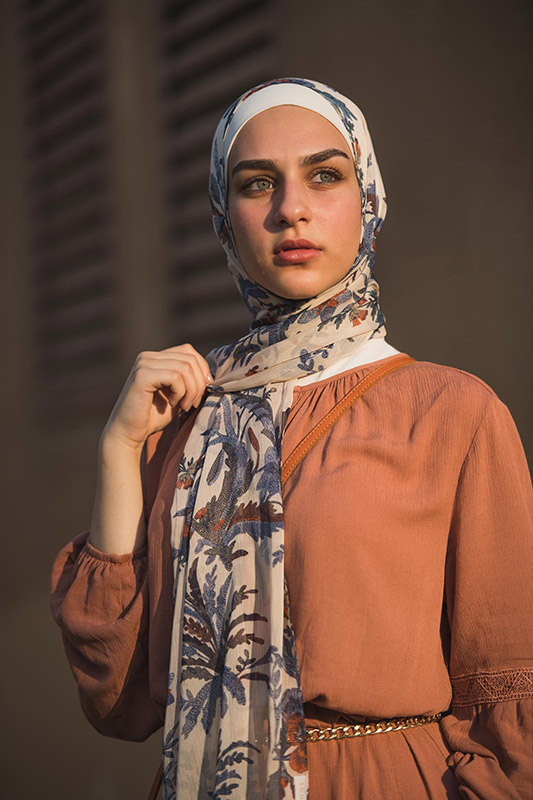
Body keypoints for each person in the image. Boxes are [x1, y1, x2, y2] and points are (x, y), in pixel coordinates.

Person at [50, 78, 533, 800]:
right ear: (222, 218)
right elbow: (118, 702)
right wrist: (119, 452)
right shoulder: (181, 413)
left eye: (325, 175)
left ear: (367, 200)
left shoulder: (451, 412)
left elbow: (507, 699)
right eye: (255, 184)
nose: (291, 209)